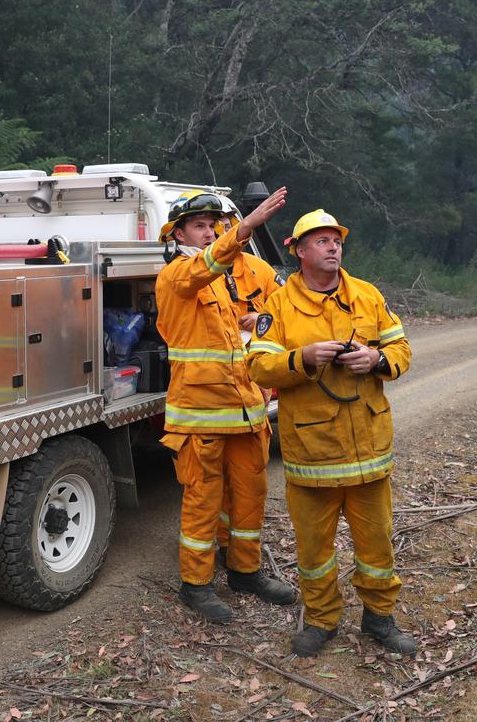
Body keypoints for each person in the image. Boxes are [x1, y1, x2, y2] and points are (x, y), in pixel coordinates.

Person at [244, 209, 416, 657]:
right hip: (312, 454)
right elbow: (258, 364)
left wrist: (375, 360)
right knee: (315, 549)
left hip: (369, 450)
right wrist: (302, 358)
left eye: (335, 240)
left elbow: (401, 348)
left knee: (376, 545)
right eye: (321, 241)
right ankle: (322, 619)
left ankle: (379, 618)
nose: (333, 246)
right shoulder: (278, 307)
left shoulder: (367, 295)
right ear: (299, 251)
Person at [156, 186, 295, 624]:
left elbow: (274, 304)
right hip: (199, 415)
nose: (209, 232)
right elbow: (209, 262)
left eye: (214, 225)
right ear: (177, 235)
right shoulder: (178, 276)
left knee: (250, 497)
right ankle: (195, 585)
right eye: (199, 226)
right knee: (203, 499)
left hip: (247, 413)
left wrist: (262, 318)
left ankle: (244, 572)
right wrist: (247, 225)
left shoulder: (226, 279)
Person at [214, 200, 284, 563]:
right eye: (214, 226)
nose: (221, 231)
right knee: (212, 486)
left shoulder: (259, 271)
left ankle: (241, 558)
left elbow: (286, 315)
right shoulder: (195, 273)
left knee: (249, 484)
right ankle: (220, 545)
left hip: (252, 396)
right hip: (210, 401)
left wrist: (259, 319)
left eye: (227, 224)